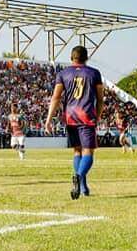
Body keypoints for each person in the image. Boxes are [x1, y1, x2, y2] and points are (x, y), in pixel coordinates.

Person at [44, 45, 104, 200]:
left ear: (72, 58)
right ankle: (78, 177)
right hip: (86, 116)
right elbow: (100, 99)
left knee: (77, 151)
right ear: (86, 58)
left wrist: (49, 119)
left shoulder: (63, 73)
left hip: (70, 116)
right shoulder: (94, 73)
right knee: (88, 152)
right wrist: (97, 116)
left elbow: (56, 98)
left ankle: (83, 187)